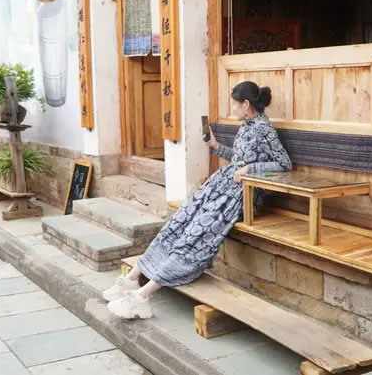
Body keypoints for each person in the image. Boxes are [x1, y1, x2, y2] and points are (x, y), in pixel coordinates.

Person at [103, 81, 292, 319]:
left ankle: (143, 296)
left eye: (235, 104)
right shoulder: (247, 125)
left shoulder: (265, 129)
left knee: (195, 235)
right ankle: (132, 278)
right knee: (179, 222)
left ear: (246, 104)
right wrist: (215, 146)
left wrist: (250, 170)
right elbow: (239, 158)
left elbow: (284, 163)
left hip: (239, 195)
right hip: (221, 186)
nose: (232, 108)